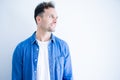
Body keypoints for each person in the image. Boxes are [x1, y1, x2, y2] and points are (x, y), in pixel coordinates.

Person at [12, 1, 73, 80]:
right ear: (38, 19)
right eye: (51, 17)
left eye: (56, 18)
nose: (55, 21)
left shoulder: (63, 47)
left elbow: (68, 77)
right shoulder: (21, 49)